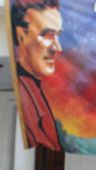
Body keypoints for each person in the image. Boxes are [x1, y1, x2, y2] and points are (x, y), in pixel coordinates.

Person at [11, 0, 63, 150]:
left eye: (57, 35)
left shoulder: (37, 90)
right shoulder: (25, 92)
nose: (57, 48)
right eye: (47, 35)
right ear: (21, 35)